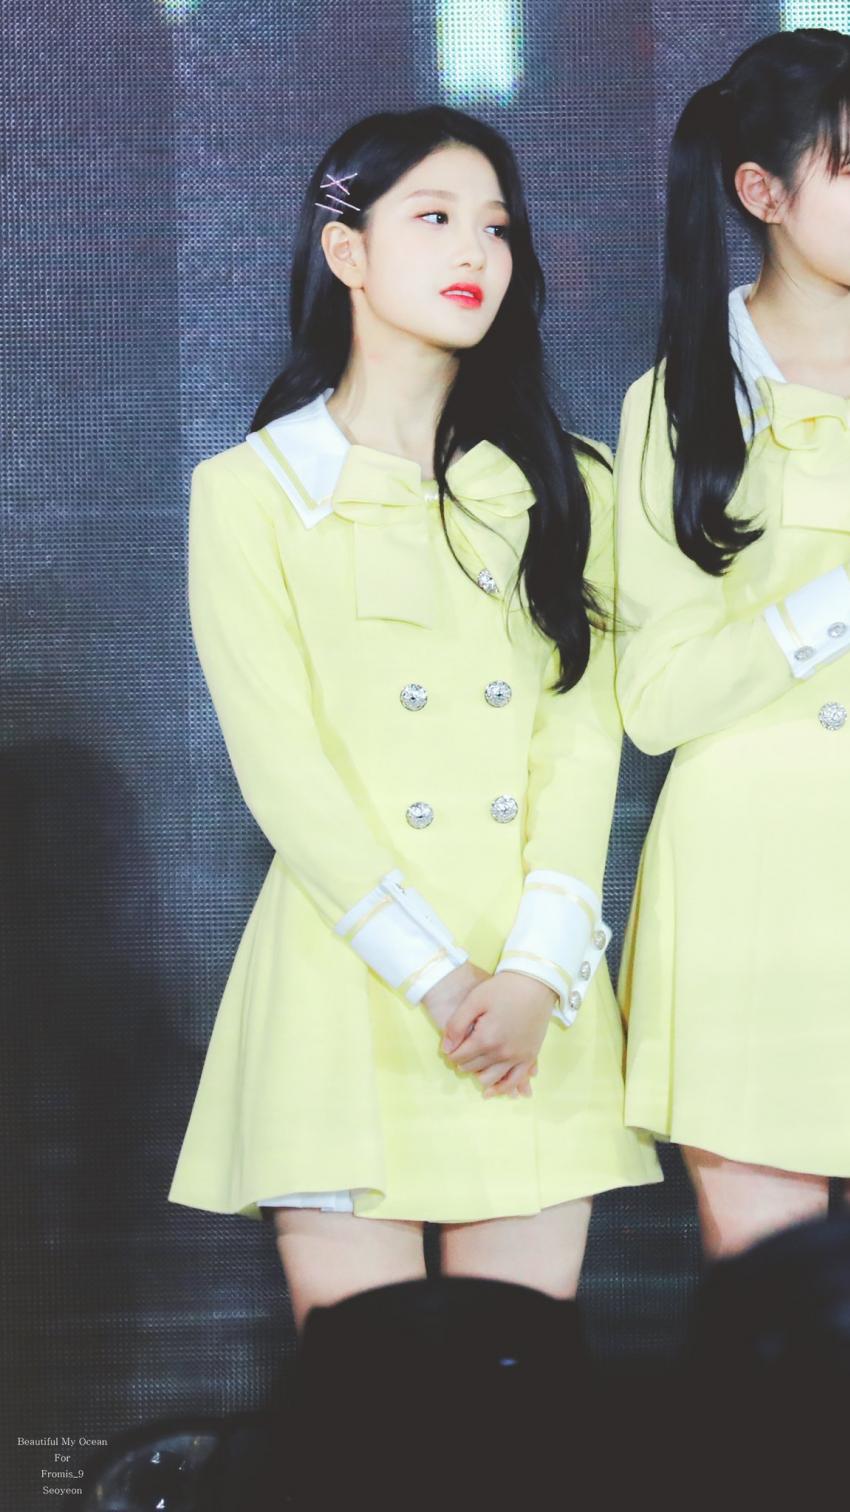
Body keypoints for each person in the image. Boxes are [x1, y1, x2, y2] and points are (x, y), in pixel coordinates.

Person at [168, 105, 661, 1332]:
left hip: (531, 991)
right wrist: (440, 982)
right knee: (365, 1407)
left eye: (495, 227)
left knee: (516, 1396)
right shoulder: (250, 493)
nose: (474, 252)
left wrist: (532, 976)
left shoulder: (570, 484)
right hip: (352, 980)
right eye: (433, 218)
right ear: (345, 250)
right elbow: (282, 769)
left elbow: (578, 746)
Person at [614, 29, 850, 1261]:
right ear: (761, 191)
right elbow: (654, 698)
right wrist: (830, 602)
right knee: (778, 1323)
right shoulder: (680, 400)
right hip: (752, 878)